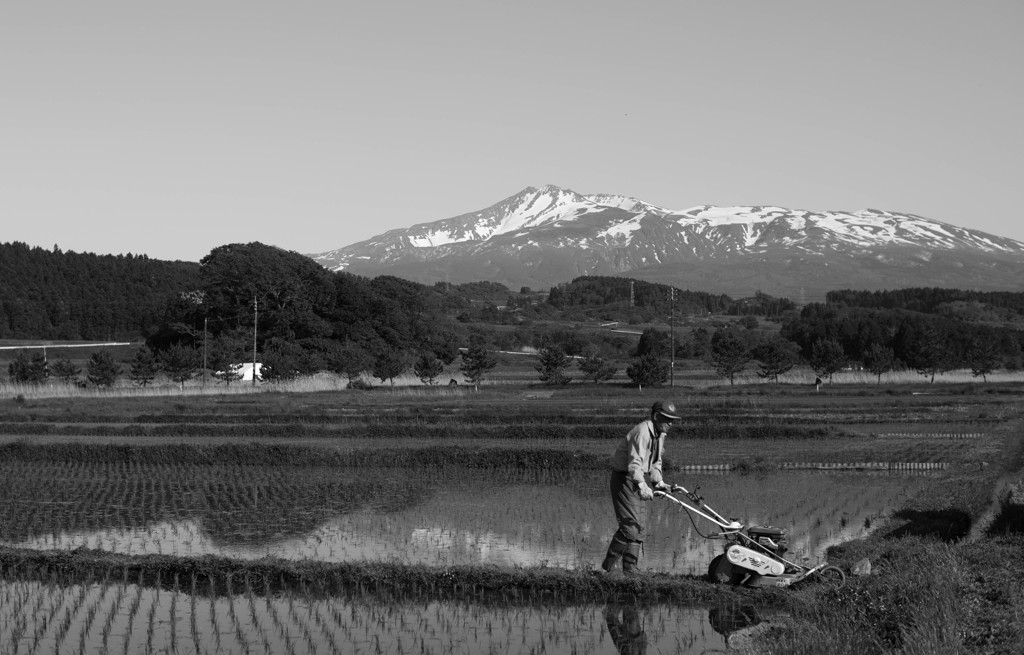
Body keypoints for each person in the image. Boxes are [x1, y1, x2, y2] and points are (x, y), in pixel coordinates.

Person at [601, 400, 681, 573]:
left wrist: (658, 482)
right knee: (630, 527)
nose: (670, 423)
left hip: (638, 480)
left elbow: (656, 461)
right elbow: (635, 464)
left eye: (672, 420)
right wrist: (642, 485)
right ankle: (609, 568)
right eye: (667, 419)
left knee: (639, 528)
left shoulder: (660, 434)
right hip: (625, 479)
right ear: (656, 416)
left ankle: (630, 569)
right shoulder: (642, 432)